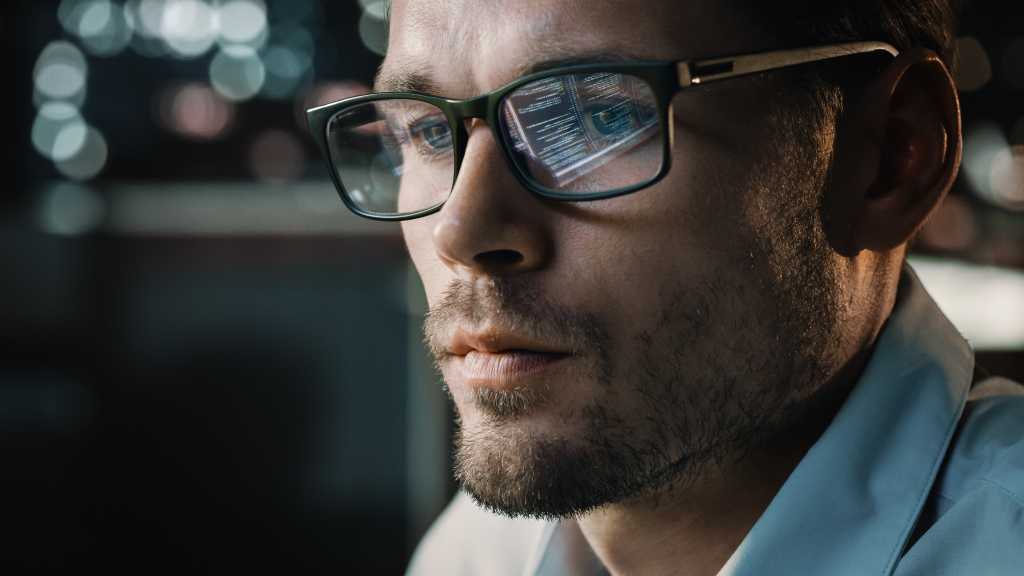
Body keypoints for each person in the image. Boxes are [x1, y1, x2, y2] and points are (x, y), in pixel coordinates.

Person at [307, 1, 1024, 574]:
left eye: (593, 117)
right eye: (429, 135)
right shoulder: (475, 556)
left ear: (892, 158)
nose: (459, 233)